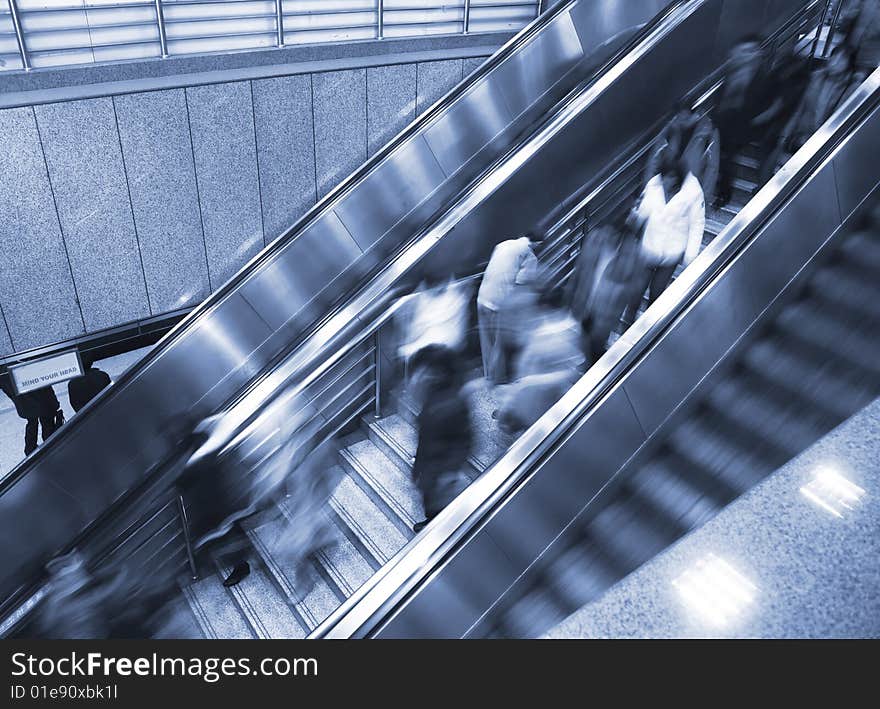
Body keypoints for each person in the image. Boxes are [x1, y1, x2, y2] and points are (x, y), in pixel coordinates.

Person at [495, 289, 586, 435]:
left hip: (541, 404)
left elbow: (572, 373)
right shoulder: (549, 326)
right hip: (532, 400)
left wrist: (528, 382)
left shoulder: (564, 333)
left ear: (545, 308)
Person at [628, 156, 705, 317]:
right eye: (663, 178)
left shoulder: (693, 191)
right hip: (649, 246)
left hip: (672, 251)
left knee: (656, 294)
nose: (664, 182)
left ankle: (648, 330)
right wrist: (634, 223)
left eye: (669, 178)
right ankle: (627, 325)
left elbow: (697, 223)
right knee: (635, 291)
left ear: (677, 178)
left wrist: (690, 257)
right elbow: (644, 210)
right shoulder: (655, 184)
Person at [409, 345, 473, 533]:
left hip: (441, 470)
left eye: (426, 371)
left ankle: (442, 526)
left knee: (438, 503)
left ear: (441, 373)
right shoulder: (432, 397)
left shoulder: (454, 404)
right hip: (429, 464)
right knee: (428, 499)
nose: (420, 377)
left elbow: (465, 442)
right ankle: (432, 520)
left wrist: (450, 470)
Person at [774, 46, 865, 167]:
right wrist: (785, 134)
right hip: (801, 134)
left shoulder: (852, 88)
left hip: (824, 139)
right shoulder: (816, 77)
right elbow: (800, 108)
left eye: (840, 60)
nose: (834, 63)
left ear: (849, 65)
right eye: (833, 57)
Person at [713, 36, 772, 208]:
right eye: (742, 51)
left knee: (727, 157)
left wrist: (754, 121)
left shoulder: (762, 77)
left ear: (757, 54)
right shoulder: (733, 72)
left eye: (748, 51)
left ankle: (724, 194)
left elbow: (767, 105)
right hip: (724, 122)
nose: (742, 55)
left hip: (743, 126)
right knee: (719, 155)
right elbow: (723, 97)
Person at [477, 232, 543, 384]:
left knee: (486, 343)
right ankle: (498, 382)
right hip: (498, 304)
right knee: (498, 347)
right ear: (537, 243)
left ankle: (488, 376)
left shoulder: (504, 244)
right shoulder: (530, 256)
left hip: (482, 297)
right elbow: (522, 286)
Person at [580, 214, 646, 362]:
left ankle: (594, 366)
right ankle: (589, 361)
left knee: (596, 345)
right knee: (585, 340)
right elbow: (582, 271)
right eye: (605, 232)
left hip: (606, 313)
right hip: (586, 304)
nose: (606, 237)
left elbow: (636, 288)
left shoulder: (632, 256)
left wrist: (628, 316)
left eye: (611, 234)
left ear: (620, 235)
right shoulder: (595, 242)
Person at [644, 101, 720, 200]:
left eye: (684, 118)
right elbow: (654, 157)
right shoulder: (671, 127)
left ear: (695, 115)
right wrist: (648, 186)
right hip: (669, 185)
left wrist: (704, 197)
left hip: (691, 187)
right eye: (679, 117)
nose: (680, 120)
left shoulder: (709, 132)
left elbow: (712, 168)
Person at [0, 376, 63, 456]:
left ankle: (30, 449)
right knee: (47, 420)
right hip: (40, 395)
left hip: (22, 400)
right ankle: (50, 445)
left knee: (32, 420)